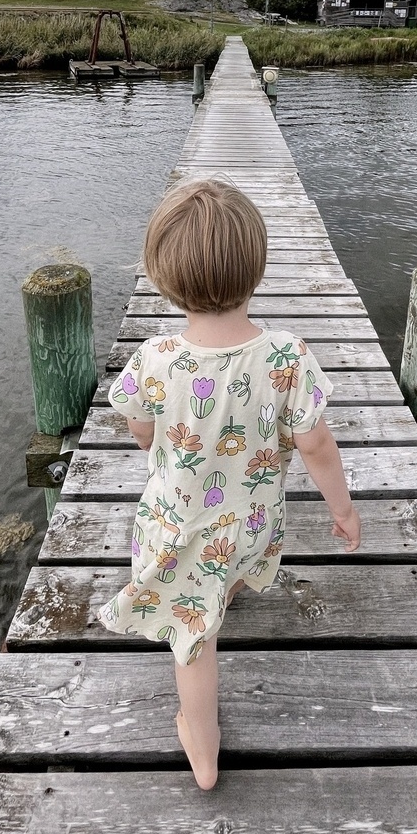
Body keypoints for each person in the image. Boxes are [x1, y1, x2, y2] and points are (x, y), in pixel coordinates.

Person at [99, 179, 361, 790]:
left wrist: (166, 437)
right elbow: (316, 444)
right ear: (258, 268)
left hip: (182, 529)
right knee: (232, 566)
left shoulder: (156, 357)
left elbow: (141, 430)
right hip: (251, 526)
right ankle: (230, 588)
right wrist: (343, 509)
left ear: (165, 277)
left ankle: (203, 742)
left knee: (194, 641)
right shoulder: (287, 357)